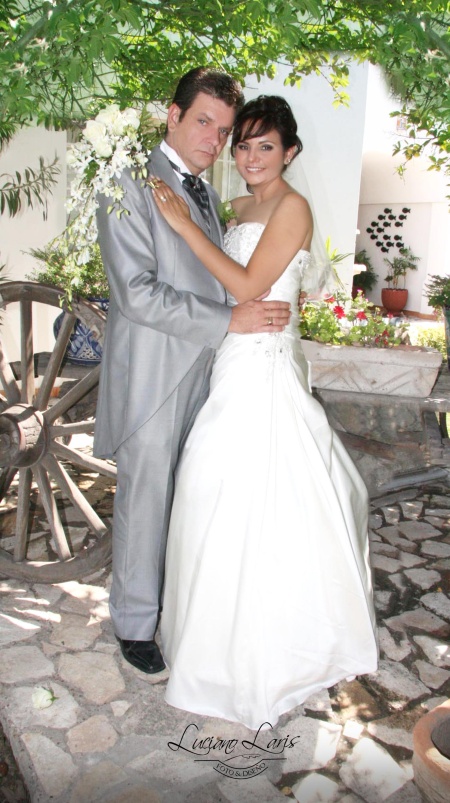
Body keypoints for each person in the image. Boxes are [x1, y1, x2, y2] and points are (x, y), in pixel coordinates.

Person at [153, 95, 378, 729]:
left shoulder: (291, 206)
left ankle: (270, 648)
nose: (250, 157)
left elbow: (251, 287)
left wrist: (185, 229)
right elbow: (220, 287)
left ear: (291, 152)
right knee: (210, 490)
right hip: (231, 357)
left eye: (265, 146)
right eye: (242, 144)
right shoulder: (236, 207)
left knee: (256, 497)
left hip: (265, 366)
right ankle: (208, 637)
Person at [93, 70, 292, 675]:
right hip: (154, 375)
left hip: (211, 375)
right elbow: (137, 293)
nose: (214, 140)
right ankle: (132, 624)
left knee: (189, 501)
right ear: (173, 115)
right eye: (204, 121)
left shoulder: (204, 195)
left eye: (224, 130)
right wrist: (231, 320)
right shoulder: (127, 183)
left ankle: (177, 608)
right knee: (147, 500)